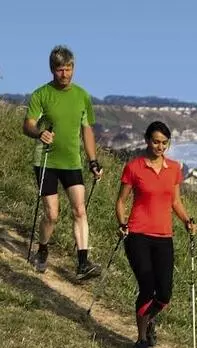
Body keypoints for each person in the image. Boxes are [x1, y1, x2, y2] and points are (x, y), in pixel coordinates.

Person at [115, 121, 197, 348]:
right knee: (147, 287)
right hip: (137, 235)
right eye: (156, 141)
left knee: (164, 294)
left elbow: (175, 202)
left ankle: (149, 319)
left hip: (164, 237)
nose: (160, 147)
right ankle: (141, 339)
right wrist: (122, 224)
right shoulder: (134, 167)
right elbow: (121, 201)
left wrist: (187, 220)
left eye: (164, 143)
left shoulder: (174, 169)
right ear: (147, 141)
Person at [23, 45, 103, 279]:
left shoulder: (82, 96)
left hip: (72, 163)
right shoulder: (41, 94)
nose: (65, 74)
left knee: (80, 209)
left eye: (68, 69)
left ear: (73, 68)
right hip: (46, 160)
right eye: (60, 69)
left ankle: (83, 264)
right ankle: (42, 249)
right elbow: (27, 125)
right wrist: (39, 133)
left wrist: (93, 161)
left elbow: (87, 130)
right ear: (52, 69)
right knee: (52, 214)